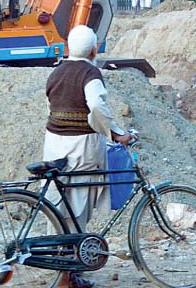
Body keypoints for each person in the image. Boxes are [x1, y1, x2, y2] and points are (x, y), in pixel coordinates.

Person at [42, 25, 132, 288]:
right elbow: (97, 107)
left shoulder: (56, 72)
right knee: (78, 208)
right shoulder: (90, 73)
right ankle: (67, 274)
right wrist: (116, 133)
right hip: (81, 147)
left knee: (58, 205)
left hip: (54, 145)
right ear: (94, 49)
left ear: (69, 47)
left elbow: (51, 105)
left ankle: (60, 264)